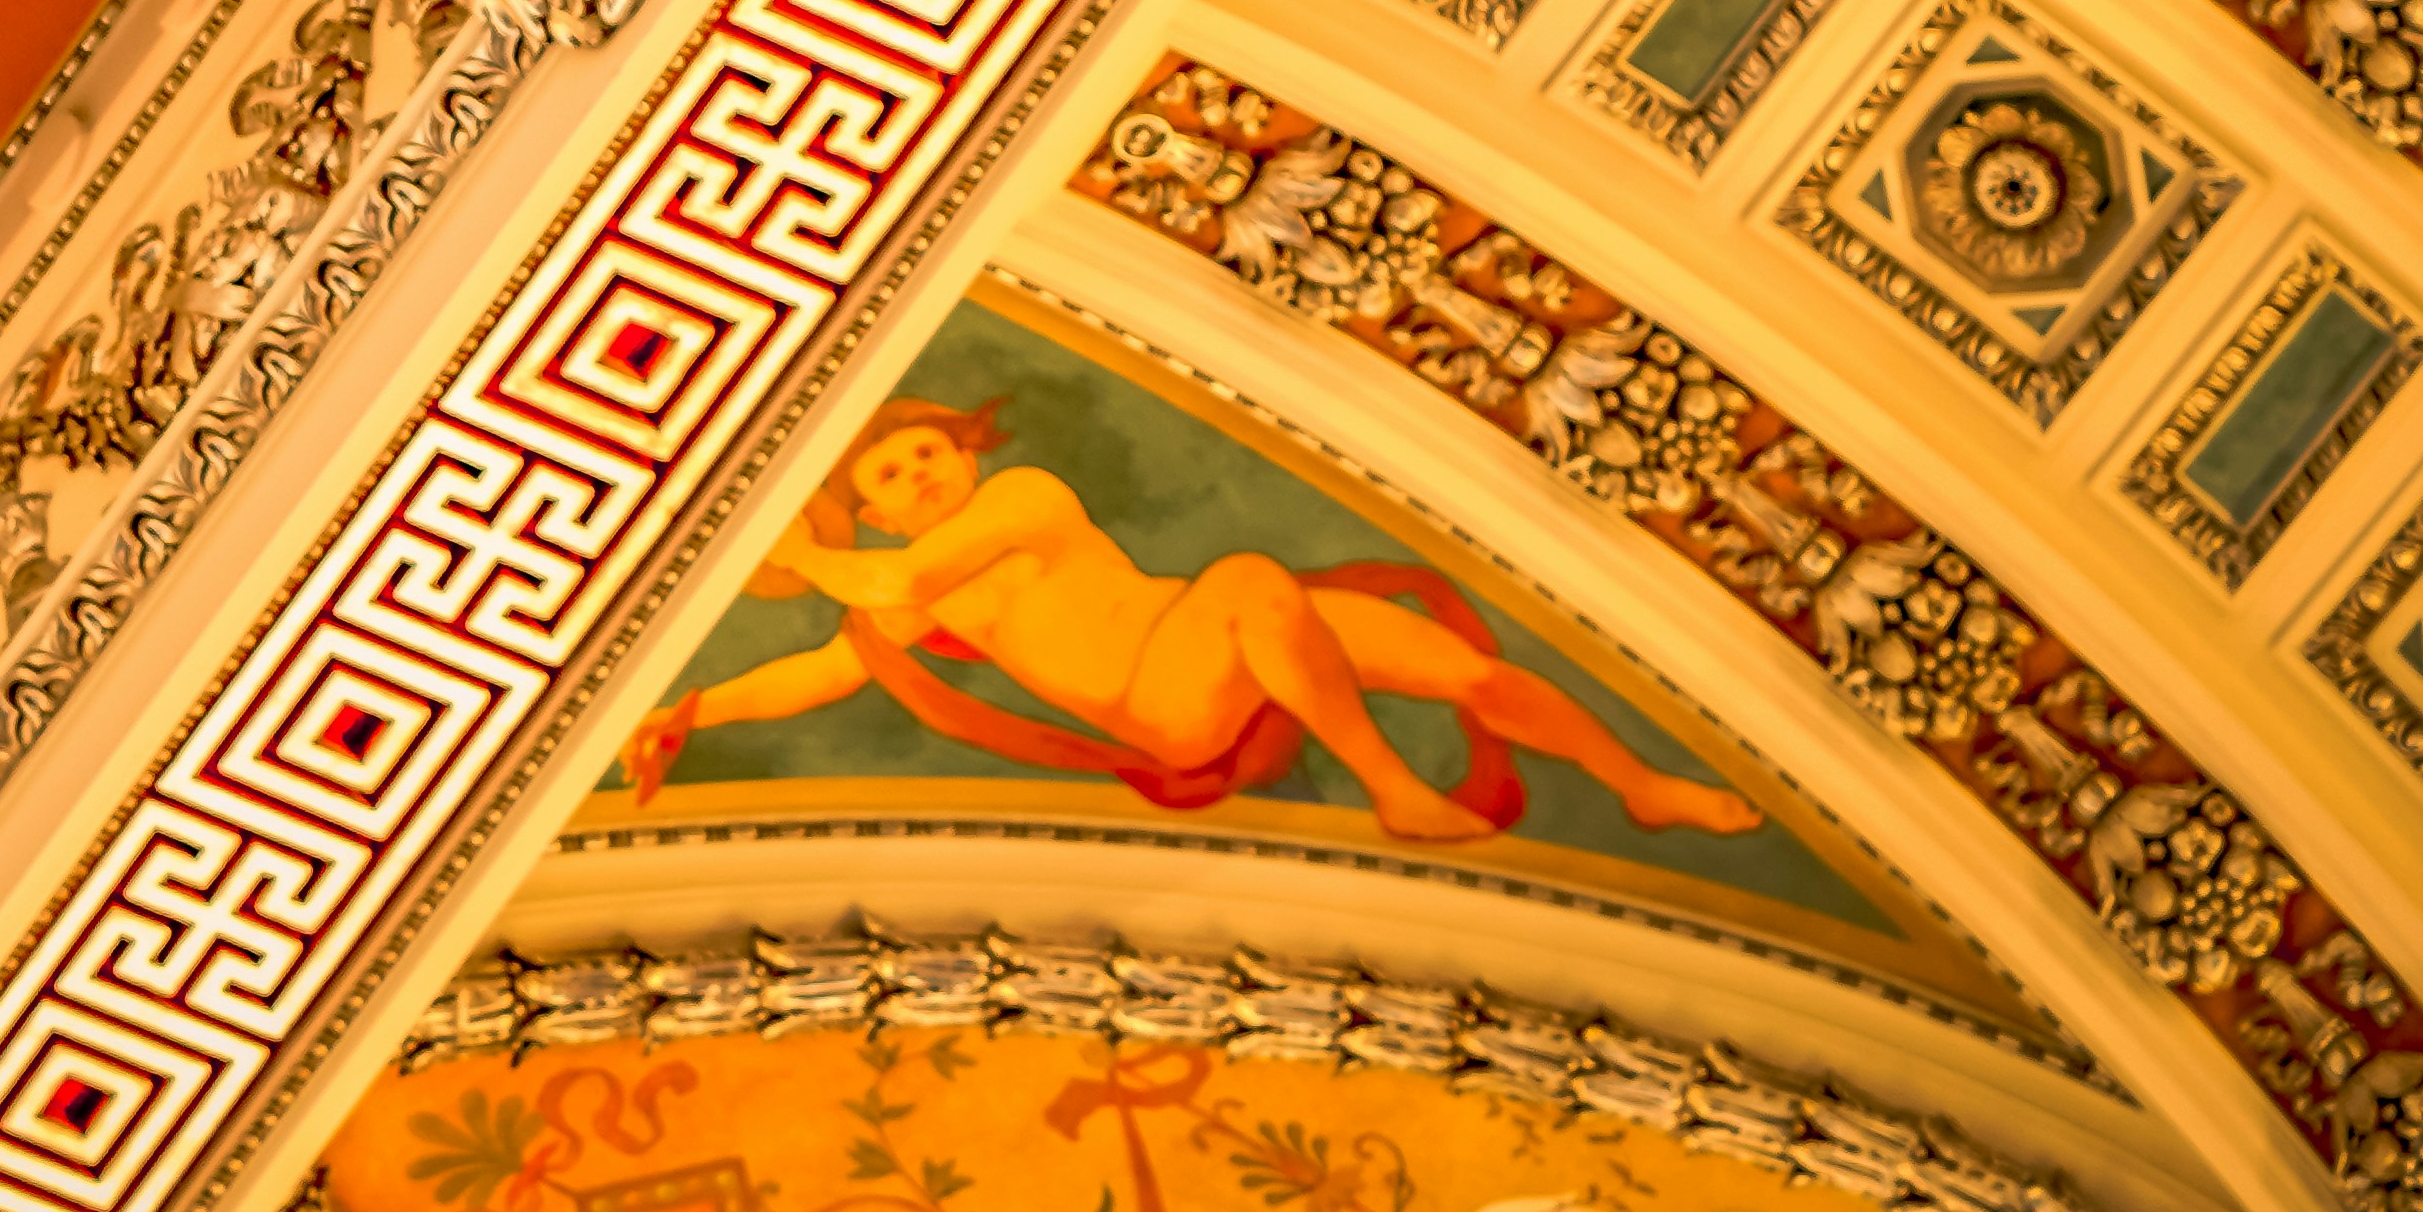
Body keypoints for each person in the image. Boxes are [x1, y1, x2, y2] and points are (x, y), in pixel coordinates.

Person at [619, 398, 1762, 842]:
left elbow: (887, 588)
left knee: (1450, 664)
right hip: (1170, 702)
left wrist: (797, 547)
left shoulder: (1014, 503)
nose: (915, 479)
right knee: (1253, 582)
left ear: (961, 451)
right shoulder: (914, 583)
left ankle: (1632, 781)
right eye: (888, 479)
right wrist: (690, 707)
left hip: (1218, 637)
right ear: (865, 506)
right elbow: (826, 672)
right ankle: (1389, 789)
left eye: (923, 454)